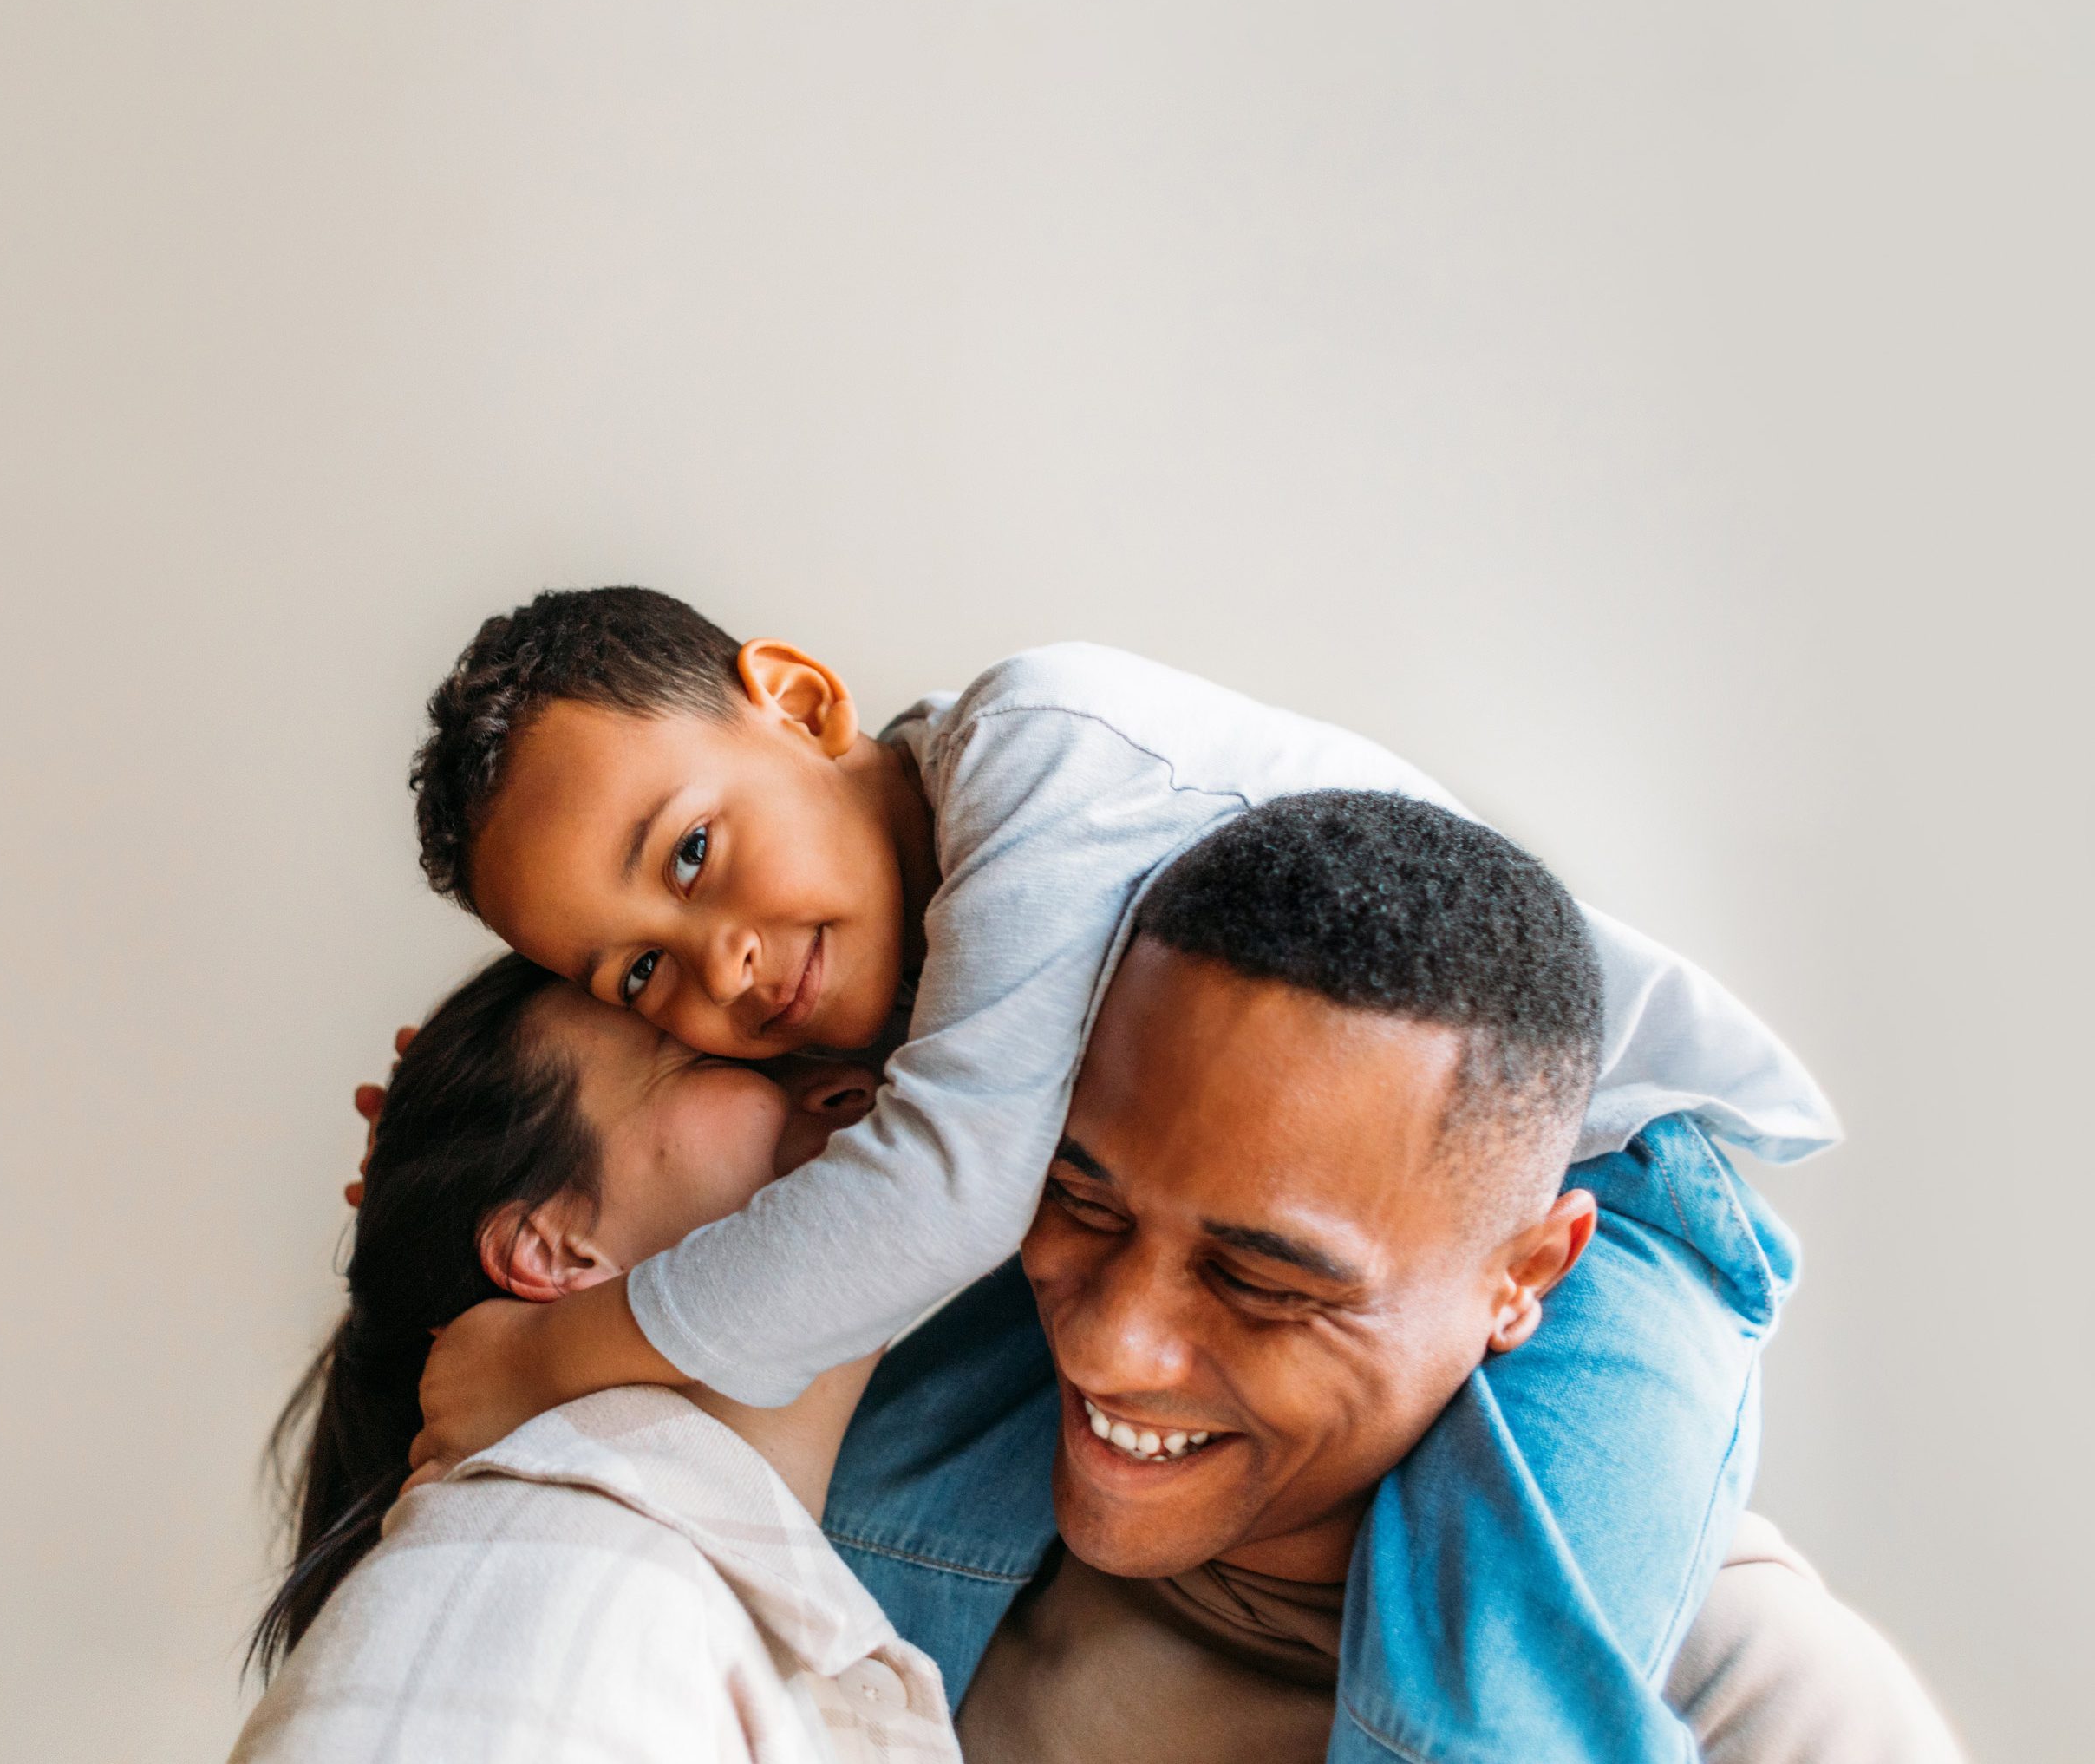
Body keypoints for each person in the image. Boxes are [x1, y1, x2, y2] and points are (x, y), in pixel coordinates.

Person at [394, 585, 1837, 1756]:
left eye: (694, 854)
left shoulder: (1044, 761)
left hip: (1609, 1183)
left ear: (802, 699)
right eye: (637, 974)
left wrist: (550, 1353)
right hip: (1195, 1230)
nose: (724, 964)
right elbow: (837, 1171)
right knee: (864, 1508)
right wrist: (447, 1139)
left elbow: (933, 1193)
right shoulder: (853, 958)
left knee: (1488, 1698)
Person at [954, 792, 1961, 1762]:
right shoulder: (921, 1496)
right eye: (1083, 1205)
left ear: (1526, 1275)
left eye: (1261, 1282)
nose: (1108, 1347)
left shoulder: (1755, 1702)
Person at [234, 954, 957, 1763]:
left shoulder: (680, 1596)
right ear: (554, 1247)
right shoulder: (538, 1588)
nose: (860, 1079)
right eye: (707, 1058)